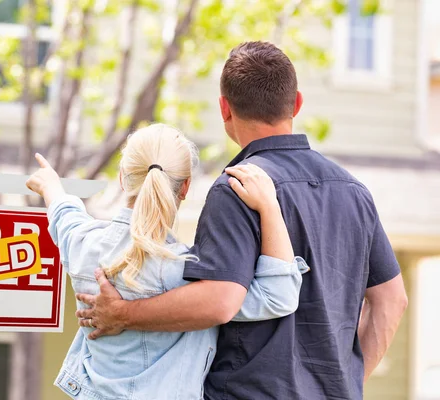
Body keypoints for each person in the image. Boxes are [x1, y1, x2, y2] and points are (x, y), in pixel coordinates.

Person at [75, 42, 408, 399]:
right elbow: (392, 300)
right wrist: (346, 384)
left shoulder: (236, 187)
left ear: (224, 109)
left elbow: (219, 300)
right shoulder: (353, 192)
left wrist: (124, 314)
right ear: (296, 103)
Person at [26, 123, 309, 399]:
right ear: (185, 187)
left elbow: (65, 216)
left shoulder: (84, 245)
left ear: (123, 178)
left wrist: (51, 186)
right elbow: (277, 295)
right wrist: (269, 207)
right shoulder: (189, 274)